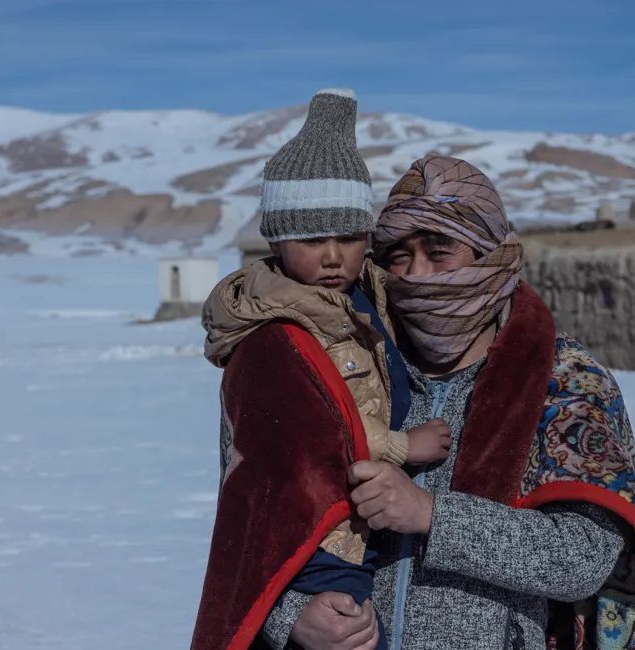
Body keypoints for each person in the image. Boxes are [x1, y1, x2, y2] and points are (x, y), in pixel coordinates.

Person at [261, 155, 635, 650]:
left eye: (439, 251)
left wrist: (432, 514)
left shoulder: (563, 381)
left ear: (489, 254)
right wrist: (292, 618)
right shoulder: (342, 367)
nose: (418, 274)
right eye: (398, 256)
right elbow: (252, 527)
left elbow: (587, 558)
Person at [189, 90, 450, 650]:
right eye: (311, 239)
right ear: (277, 241)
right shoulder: (281, 333)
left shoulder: (366, 299)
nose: (333, 257)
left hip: (361, 532)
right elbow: (318, 437)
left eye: (351, 238)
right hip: (322, 540)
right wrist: (407, 448)